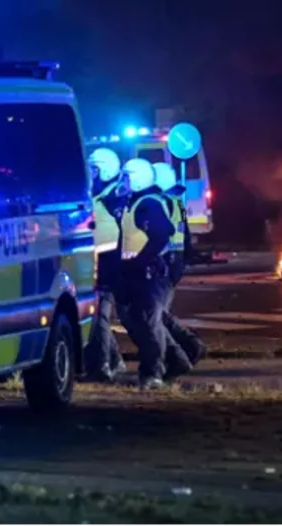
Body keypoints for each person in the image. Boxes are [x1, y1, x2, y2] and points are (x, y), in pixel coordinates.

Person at [118, 158, 179, 389]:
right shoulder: (137, 202)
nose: (123, 182)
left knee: (149, 323)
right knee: (142, 322)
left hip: (149, 274)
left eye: (126, 177)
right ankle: (172, 363)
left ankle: (153, 374)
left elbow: (163, 233)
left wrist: (141, 260)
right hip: (139, 272)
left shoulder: (148, 204)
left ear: (137, 179)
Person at [152, 163, 208, 367]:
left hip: (165, 262)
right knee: (158, 313)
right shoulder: (176, 203)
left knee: (157, 314)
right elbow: (186, 237)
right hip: (174, 261)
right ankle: (186, 348)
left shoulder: (162, 204)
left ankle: (189, 347)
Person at [84, 148, 127, 382]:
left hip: (109, 264)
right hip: (97, 262)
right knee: (97, 316)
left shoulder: (115, 195)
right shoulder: (100, 193)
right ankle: (115, 361)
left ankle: (101, 368)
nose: (90, 173)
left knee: (99, 316)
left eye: (94, 169)